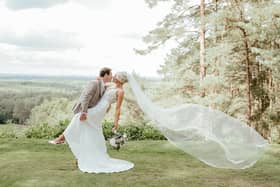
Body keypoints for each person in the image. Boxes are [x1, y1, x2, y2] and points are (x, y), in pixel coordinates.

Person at [56, 71, 134, 173]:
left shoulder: (120, 92)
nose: (113, 76)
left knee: (78, 117)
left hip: (100, 109)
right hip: (98, 106)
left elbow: (118, 109)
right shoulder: (111, 85)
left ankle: (62, 138)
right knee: (90, 130)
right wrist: (99, 79)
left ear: (120, 79)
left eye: (116, 76)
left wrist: (116, 123)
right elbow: (100, 83)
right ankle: (82, 154)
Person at [48, 67, 112, 144]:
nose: (112, 76)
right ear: (106, 75)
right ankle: (60, 139)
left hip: (92, 110)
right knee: (76, 122)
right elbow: (86, 97)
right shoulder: (94, 83)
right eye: (111, 74)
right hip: (84, 109)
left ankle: (63, 139)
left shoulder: (104, 86)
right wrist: (84, 112)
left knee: (88, 125)